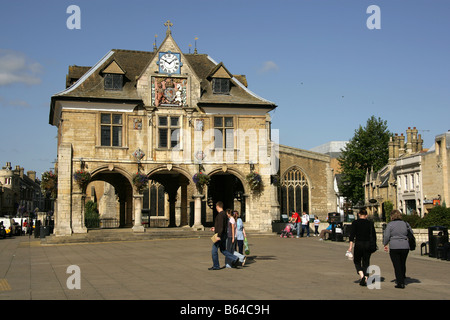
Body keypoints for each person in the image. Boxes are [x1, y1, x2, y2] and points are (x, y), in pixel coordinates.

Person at [383, 210, 412, 289]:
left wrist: (385, 243)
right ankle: (403, 276)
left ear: (392, 216)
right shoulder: (406, 224)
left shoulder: (390, 225)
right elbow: (411, 233)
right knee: (402, 262)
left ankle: (400, 282)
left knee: (397, 264)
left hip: (394, 246)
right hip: (405, 246)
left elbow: (386, 236)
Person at [347, 209, 376, 286]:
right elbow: (373, 236)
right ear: (366, 215)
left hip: (359, 244)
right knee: (366, 261)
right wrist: (373, 246)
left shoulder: (355, 223)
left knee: (357, 261)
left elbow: (352, 235)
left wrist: (350, 247)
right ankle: (366, 277)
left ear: (359, 214)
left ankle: (362, 275)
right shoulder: (370, 223)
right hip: (368, 244)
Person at [209, 201, 239, 270]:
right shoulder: (225, 215)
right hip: (224, 234)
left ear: (217, 206)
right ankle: (234, 258)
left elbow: (221, 226)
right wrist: (215, 228)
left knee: (214, 250)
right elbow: (222, 226)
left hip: (220, 235)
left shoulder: (220, 215)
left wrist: (218, 236)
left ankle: (216, 265)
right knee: (223, 250)